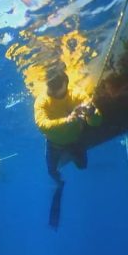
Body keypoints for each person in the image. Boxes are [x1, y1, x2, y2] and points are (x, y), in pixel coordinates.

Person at [34, 69, 102, 228]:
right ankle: (60, 183)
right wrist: (68, 120)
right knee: (52, 172)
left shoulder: (77, 95)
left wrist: (92, 113)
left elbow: (97, 122)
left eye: (54, 87)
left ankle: (68, 157)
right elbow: (42, 126)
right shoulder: (42, 100)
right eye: (49, 87)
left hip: (74, 141)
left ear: (65, 84)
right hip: (54, 144)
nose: (50, 91)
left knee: (83, 166)